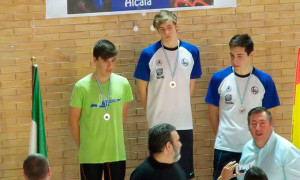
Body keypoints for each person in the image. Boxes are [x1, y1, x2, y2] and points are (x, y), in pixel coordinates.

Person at [134, 10, 202, 179]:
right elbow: (142, 89)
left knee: (184, 173)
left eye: (169, 27)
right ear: (158, 30)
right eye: (162, 29)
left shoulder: (192, 52)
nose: (167, 32)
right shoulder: (148, 53)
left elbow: (190, 87)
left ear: (176, 25)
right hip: (158, 123)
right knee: (159, 172)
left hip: (183, 122)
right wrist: (152, 110)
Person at [205, 34, 280, 180]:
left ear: (251, 54)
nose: (235, 60)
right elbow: (212, 114)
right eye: (232, 55)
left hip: (254, 149)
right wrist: (224, 136)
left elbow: (270, 117)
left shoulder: (264, 80)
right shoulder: (218, 78)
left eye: (240, 56)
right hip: (226, 148)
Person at [68, 39, 133, 180]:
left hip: (116, 153)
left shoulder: (123, 84)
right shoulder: (81, 87)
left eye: (113, 60)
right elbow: (73, 122)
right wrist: (84, 146)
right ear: (94, 59)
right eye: (105, 61)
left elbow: (121, 118)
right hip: (90, 155)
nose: (110, 66)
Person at [237, 107, 300, 180]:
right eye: (254, 124)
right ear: (248, 127)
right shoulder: (247, 147)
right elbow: (241, 175)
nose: (258, 128)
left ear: (271, 124)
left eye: (262, 123)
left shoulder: (288, 150)